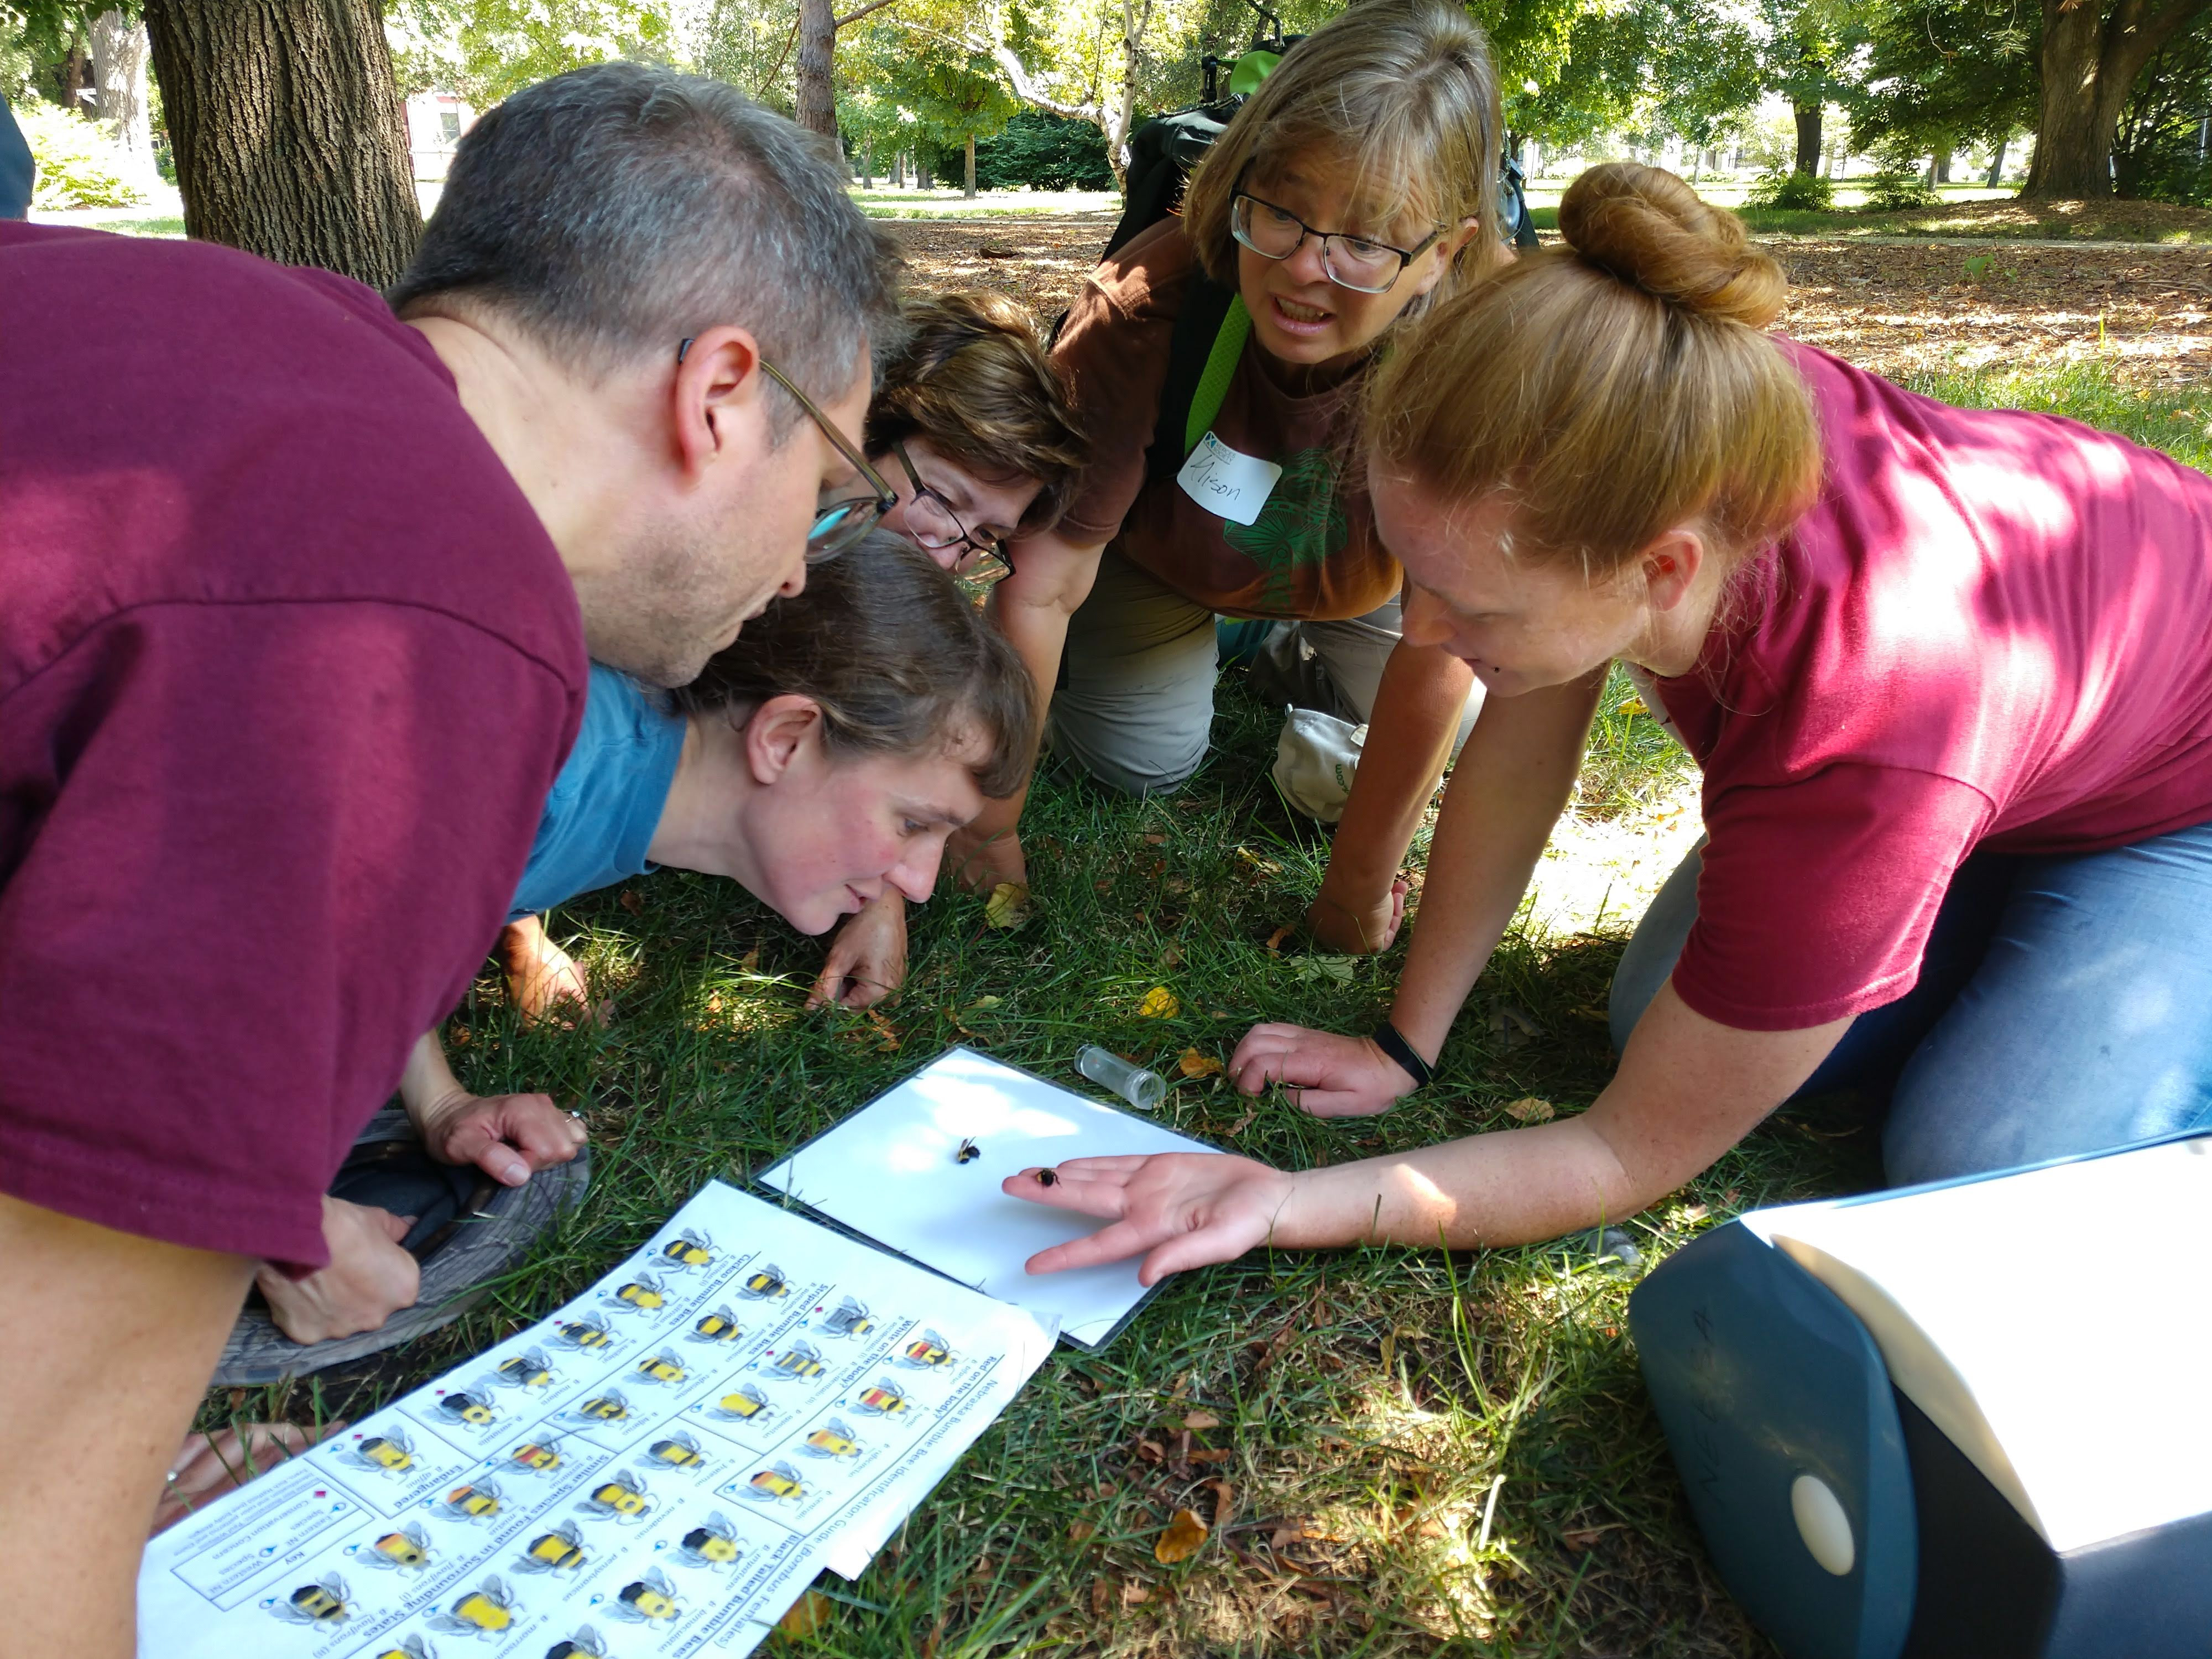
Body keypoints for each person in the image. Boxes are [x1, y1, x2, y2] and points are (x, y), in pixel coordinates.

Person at [0, 64, 898, 1649]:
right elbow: (24, 1515)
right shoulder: (435, 630)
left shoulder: (214, 319)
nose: (787, 575)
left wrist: (255, 1213)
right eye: (823, 495)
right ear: (719, 396)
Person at [1001, 162, 2212, 1285]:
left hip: (2171, 800)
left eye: (1469, 605)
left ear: (1662, 571)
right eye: (1416, 577)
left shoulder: (1868, 722)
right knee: (1657, 1024)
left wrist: (1281, 1203)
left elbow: (1626, 1154)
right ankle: (1952, 912)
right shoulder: (1638, 404)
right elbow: (1517, 749)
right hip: (2014, 745)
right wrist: (1405, 1043)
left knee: (1980, 1158)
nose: (1420, 636)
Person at [263, 533, 1034, 1347]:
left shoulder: (607, 774)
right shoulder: (532, 766)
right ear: (785, 738)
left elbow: (374, 935)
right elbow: (196, 943)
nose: (918, 881)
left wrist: (437, 1098)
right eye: (913, 823)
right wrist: (279, 1227)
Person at [947, 0, 1504, 957]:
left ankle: (1273, 646)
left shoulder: (1489, 355)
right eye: (1281, 212)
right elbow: (1046, 582)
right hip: (1160, 563)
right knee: (1140, 765)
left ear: (1440, 255)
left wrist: (1357, 891)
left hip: (1365, 587)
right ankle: (1218, 636)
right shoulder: (1147, 306)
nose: (1302, 271)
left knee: (1458, 720)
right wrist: (988, 825)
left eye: (1366, 242)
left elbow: (1447, 638)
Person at [500, 288, 1087, 1021]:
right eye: (944, 497)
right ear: (867, 436)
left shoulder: (905, 580)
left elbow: (888, 754)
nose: (949, 554)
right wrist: (514, 916)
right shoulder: (704, 522)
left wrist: (881, 903)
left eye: (984, 537)